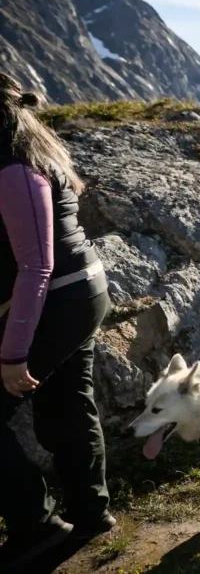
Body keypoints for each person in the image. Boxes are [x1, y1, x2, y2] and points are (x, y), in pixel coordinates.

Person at [0, 72, 115, 570]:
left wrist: (13, 355)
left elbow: (36, 265)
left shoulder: (13, 164)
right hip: (81, 293)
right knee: (67, 405)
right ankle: (92, 515)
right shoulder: (39, 150)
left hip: (60, 300)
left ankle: (39, 525)